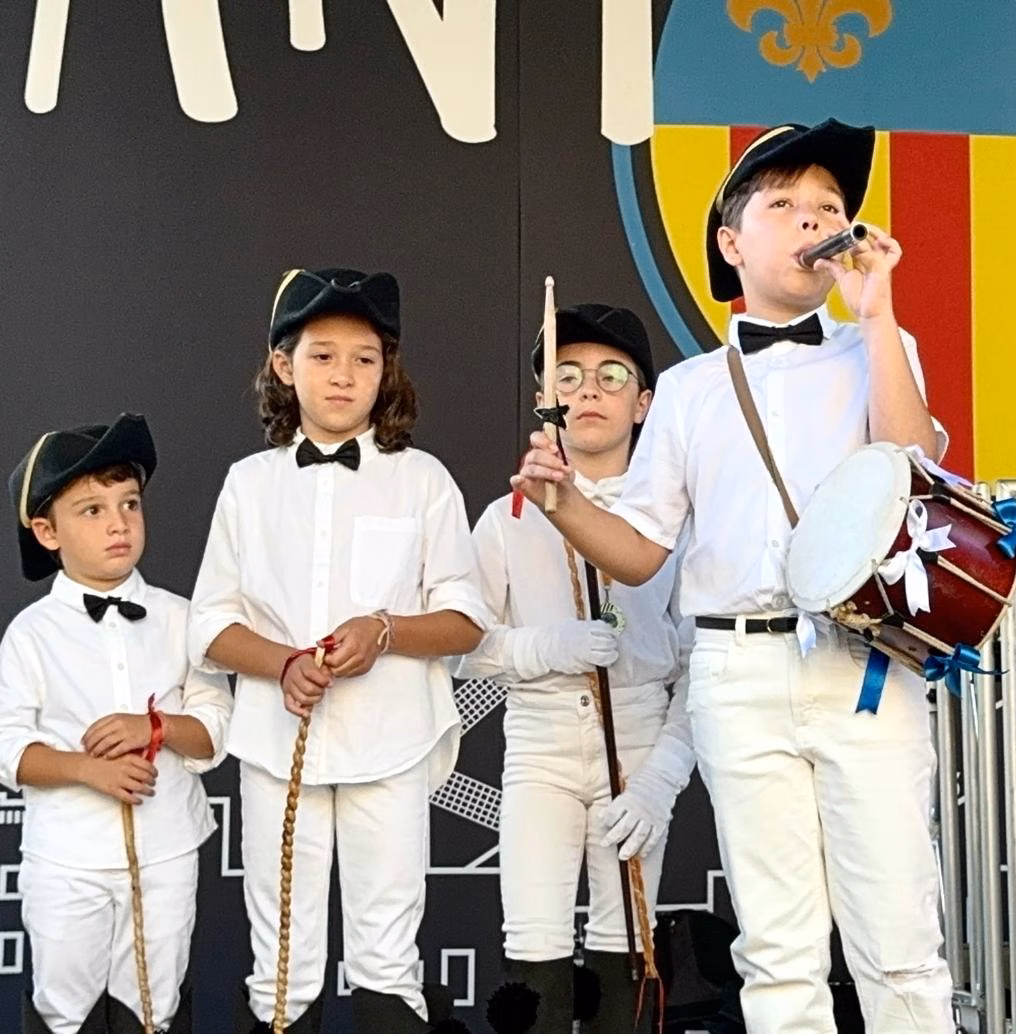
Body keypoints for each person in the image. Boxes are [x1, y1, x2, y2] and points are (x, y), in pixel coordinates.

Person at [509, 119, 953, 1032]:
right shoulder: (688, 388)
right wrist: (562, 503)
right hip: (736, 669)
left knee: (899, 936)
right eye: (782, 204)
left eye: (829, 205)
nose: (812, 219)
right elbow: (642, 548)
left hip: (863, 661)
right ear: (731, 243)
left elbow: (914, 469)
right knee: (778, 950)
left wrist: (877, 315)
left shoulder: (880, 346)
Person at [187, 268, 487, 1033]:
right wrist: (283, 665)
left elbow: (466, 618)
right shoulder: (248, 484)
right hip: (275, 749)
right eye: (322, 355)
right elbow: (211, 623)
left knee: (388, 959)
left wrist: (385, 631)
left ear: (387, 369)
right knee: (281, 965)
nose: (344, 375)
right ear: (283, 365)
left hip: (389, 746)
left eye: (364, 357)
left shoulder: (423, 480)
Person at [460, 303, 694, 1034]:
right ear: (546, 400)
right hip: (541, 744)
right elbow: (464, 646)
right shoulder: (506, 518)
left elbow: (704, 666)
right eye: (569, 376)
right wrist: (546, 647)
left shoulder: (677, 521)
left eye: (611, 375)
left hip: (641, 738)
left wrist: (659, 784)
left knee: (626, 945)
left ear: (643, 402)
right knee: (534, 943)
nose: (588, 390)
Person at [0, 413, 231, 1034]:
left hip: (166, 851)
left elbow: (215, 725)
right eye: (92, 510)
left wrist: (155, 728)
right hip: (66, 858)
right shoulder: (30, 635)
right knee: (63, 1007)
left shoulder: (183, 619)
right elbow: (8, 747)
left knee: (155, 1005)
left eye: (129, 503)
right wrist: (86, 770)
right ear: (47, 532)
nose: (119, 523)